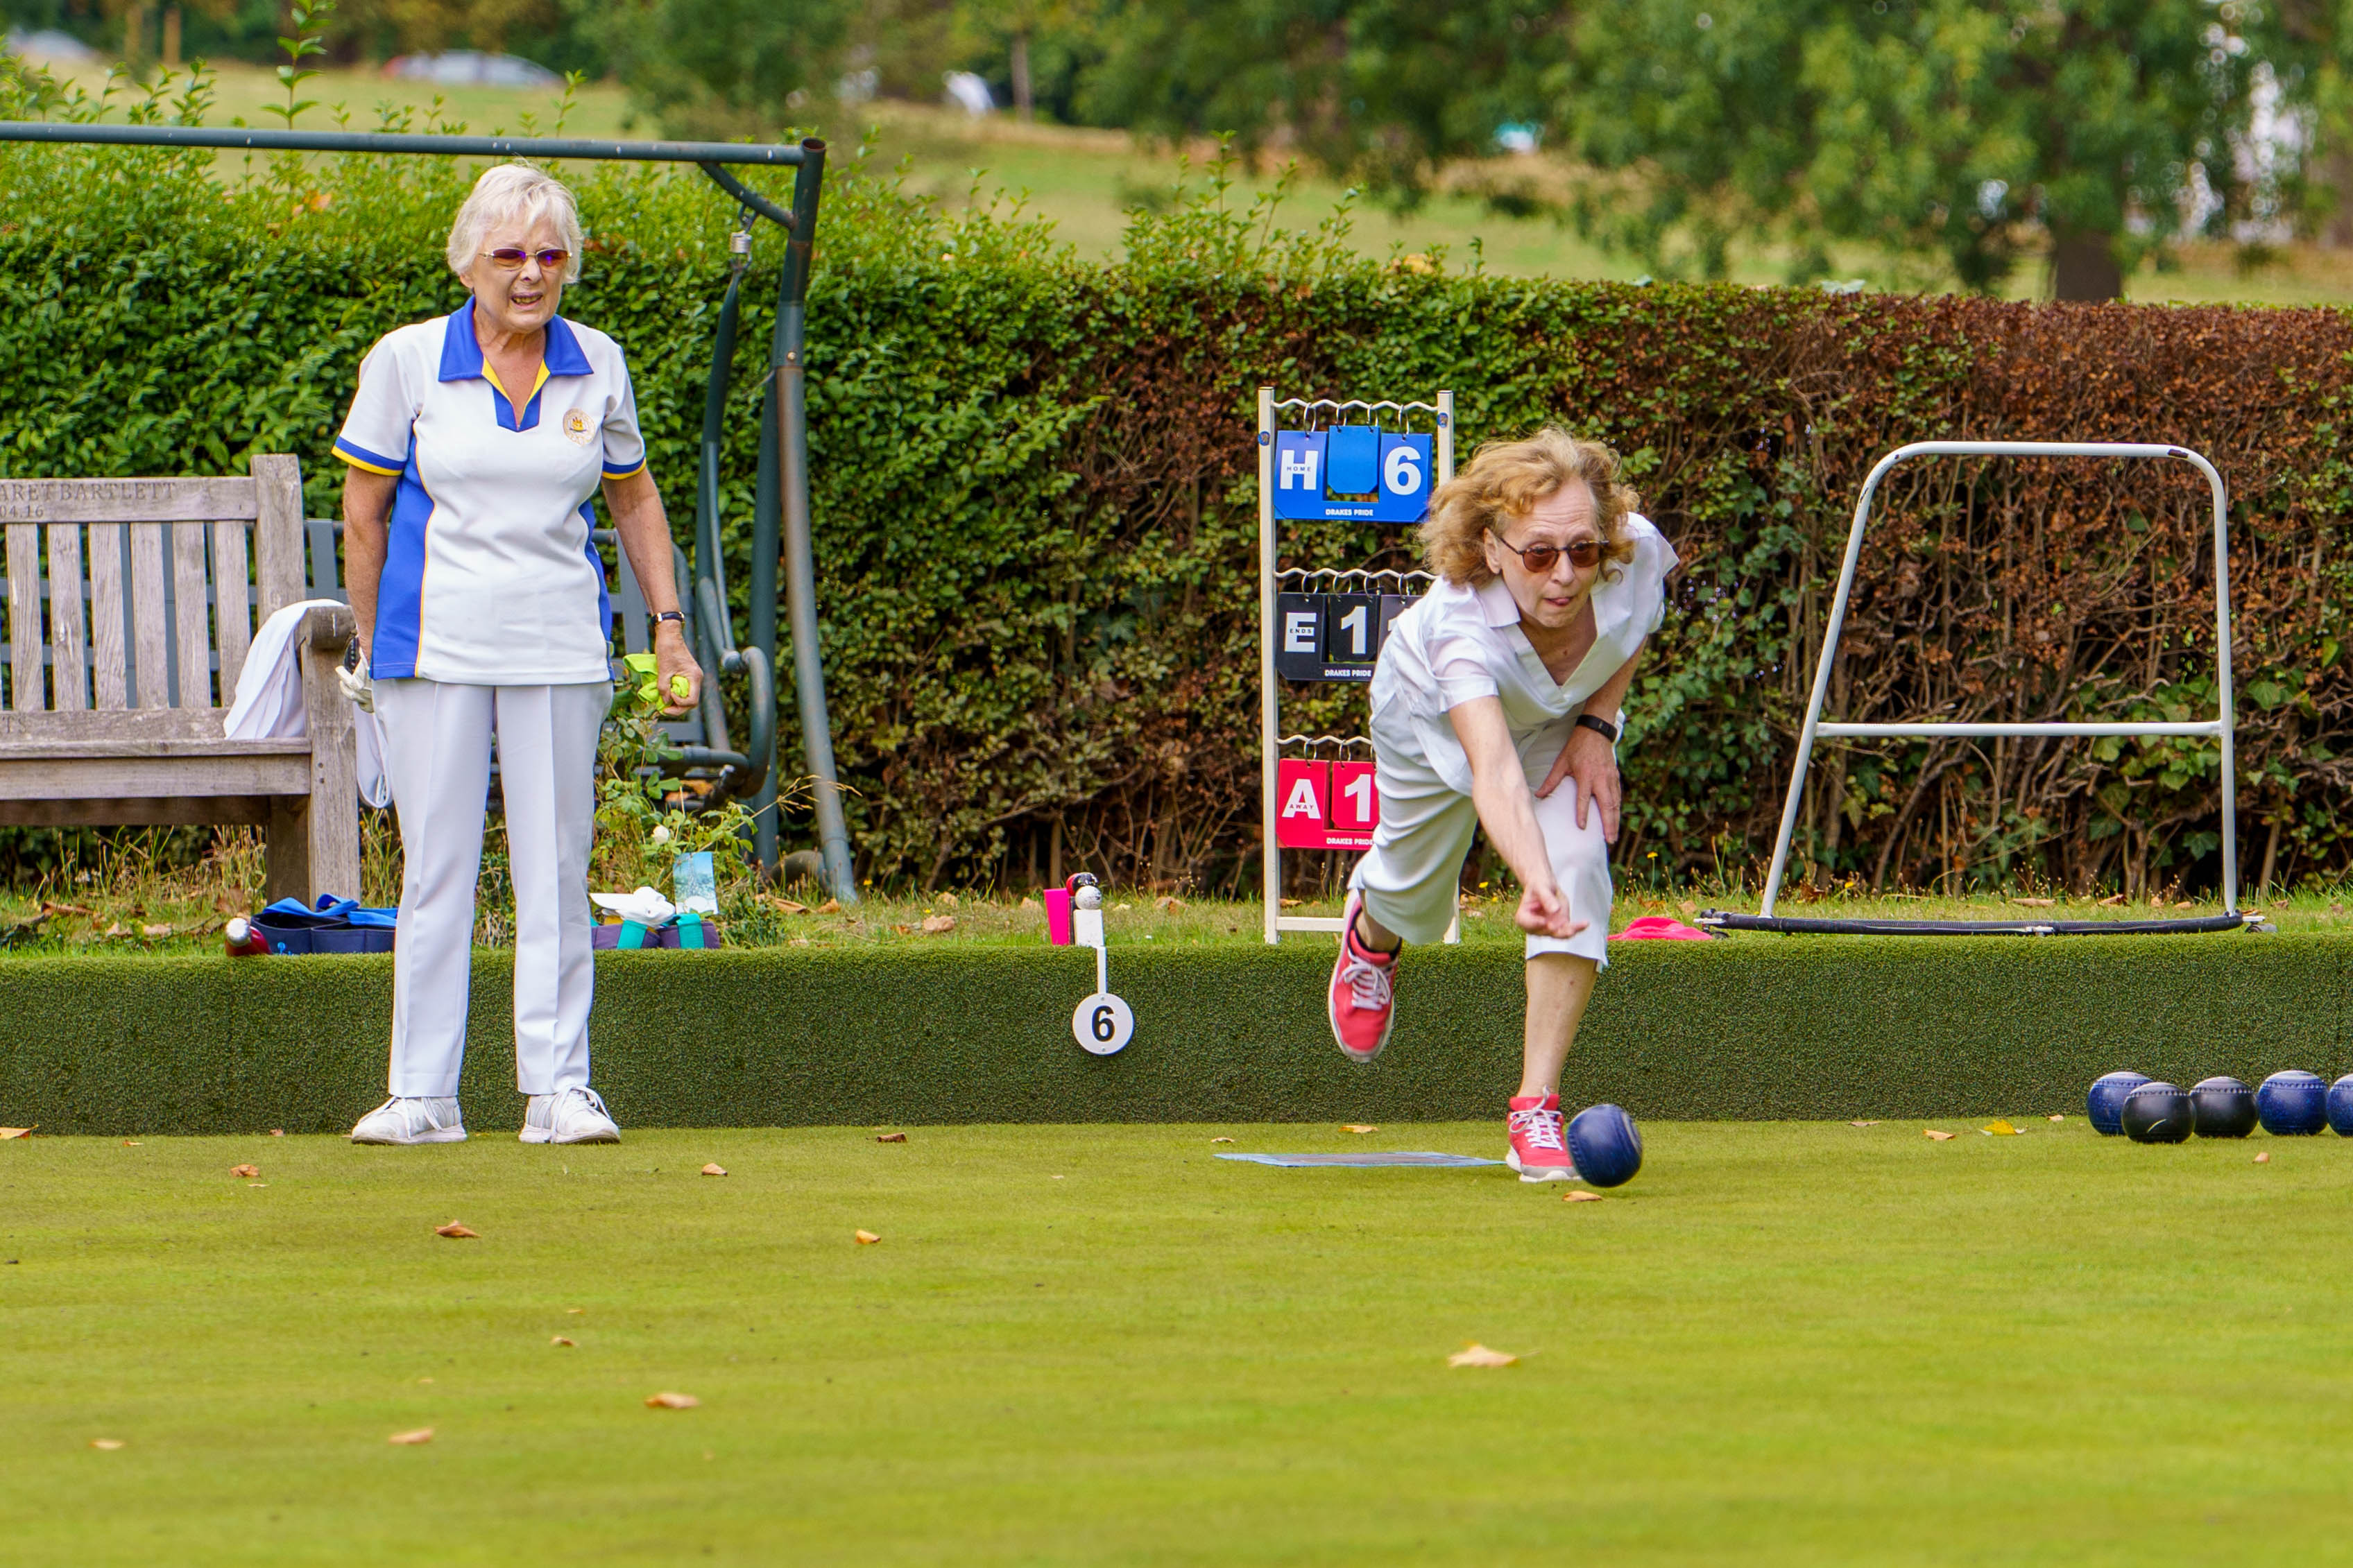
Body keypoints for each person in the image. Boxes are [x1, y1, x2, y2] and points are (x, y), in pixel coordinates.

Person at [333, 164, 701, 1146]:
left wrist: (667, 626)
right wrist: (373, 648)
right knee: (437, 869)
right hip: (433, 645)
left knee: (555, 865)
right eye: (510, 254)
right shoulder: (406, 361)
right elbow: (363, 516)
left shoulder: (601, 362)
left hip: (560, 643)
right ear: (469, 261)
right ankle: (423, 1096)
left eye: (551, 254)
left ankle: (558, 1090)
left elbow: (634, 496)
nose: (531, 273)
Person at [1326, 428, 1676, 1181]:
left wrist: (1595, 725)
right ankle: (1373, 935)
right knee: (1412, 887)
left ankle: (1533, 1107)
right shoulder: (1456, 626)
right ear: (1491, 548)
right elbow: (1492, 772)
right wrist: (1529, 875)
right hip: (1428, 718)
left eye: (1581, 550)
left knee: (1579, 858)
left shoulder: (1631, 550)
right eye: (1538, 554)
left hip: (1558, 719)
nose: (1564, 574)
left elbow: (1636, 621)